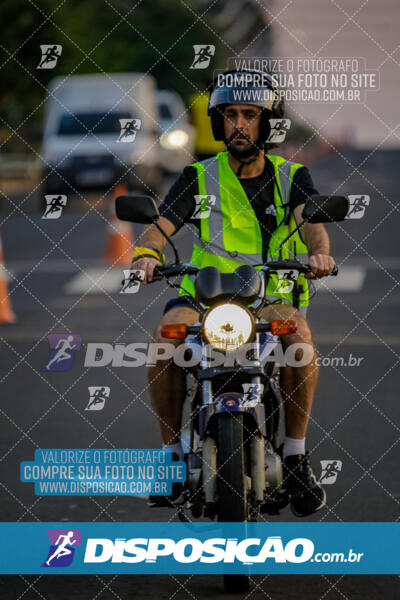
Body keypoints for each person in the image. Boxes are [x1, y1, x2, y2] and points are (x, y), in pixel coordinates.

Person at [132, 70, 336, 517]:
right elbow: (161, 224)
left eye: (249, 115)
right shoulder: (198, 176)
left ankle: (297, 456)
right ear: (218, 122)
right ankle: (169, 457)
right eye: (229, 115)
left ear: (268, 124)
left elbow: (313, 228)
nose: (238, 124)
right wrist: (146, 252)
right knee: (166, 338)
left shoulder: (292, 177)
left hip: (269, 294)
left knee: (298, 337)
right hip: (202, 295)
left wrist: (320, 256)